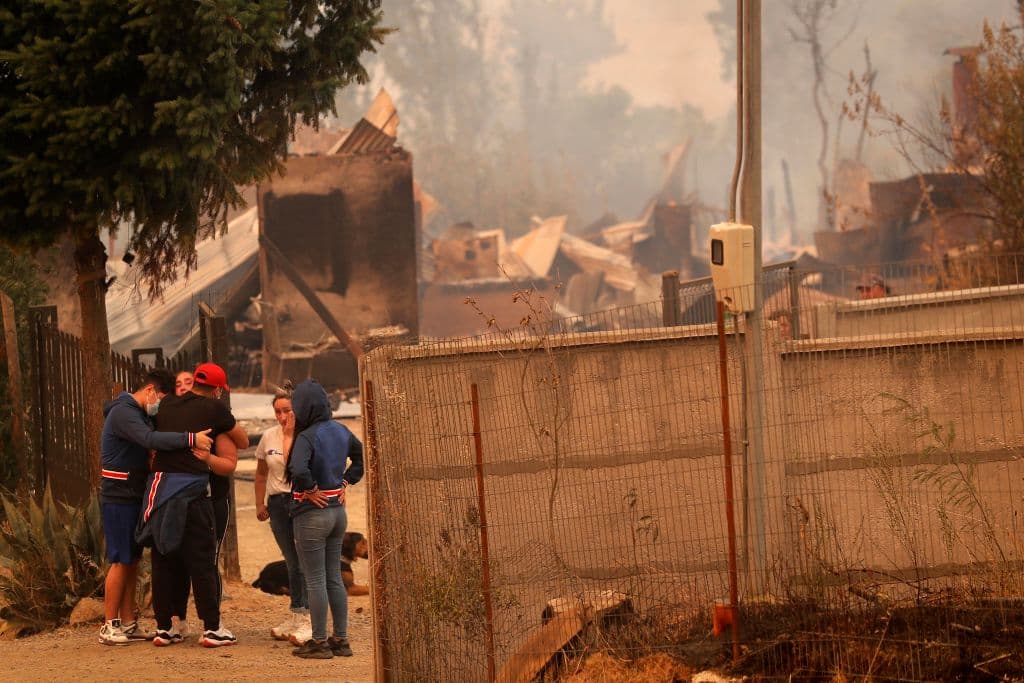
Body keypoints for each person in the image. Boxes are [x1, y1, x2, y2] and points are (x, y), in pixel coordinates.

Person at [98, 368, 213, 645]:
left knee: (132, 560)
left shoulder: (136, 412)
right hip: (118, 495)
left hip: (132, 493)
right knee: (120, 559)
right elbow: (149, 440)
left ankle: (128, 622)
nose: (160, 404)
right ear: (150, 391)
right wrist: (190, 438)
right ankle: (109, 624)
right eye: (161, 397)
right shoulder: (125, 412)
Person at [138, 362, 242, 648]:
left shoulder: (166, 405)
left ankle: (164, 628)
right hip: (194, 494)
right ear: (218, 389)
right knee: (202, 562)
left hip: (160, 493)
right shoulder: (214, 409)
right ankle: (212, 628)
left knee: (163, 560)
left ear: (193, 381)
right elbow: (242, 440)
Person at [287, 379, 364, 659]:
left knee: (315, 580)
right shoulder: (341, 430)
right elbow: (360, 457)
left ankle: (319, 642)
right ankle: (340, 640)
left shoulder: (307, 435)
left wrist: (309, 489)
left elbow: (297, 467)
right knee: (333, 577)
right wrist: (345, 482)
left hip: (312, 514)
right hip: (337, 513)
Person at [254, 384, 311, 641]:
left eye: (286, 410)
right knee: (290, 560)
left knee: (304, 560)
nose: (281, 416)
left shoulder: (306, 436)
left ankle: (308, 617)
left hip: (300, 500)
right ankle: (297, 612)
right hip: (277, 502)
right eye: (277, 411)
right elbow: (261, 473)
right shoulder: (268, 436)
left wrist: (289, 435)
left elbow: (296, 468)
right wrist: (260, 503)